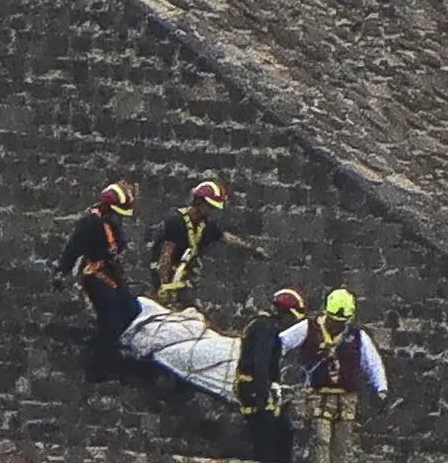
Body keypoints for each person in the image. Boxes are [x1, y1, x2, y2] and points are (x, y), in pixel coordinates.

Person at [280, 288, 389, 463]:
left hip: (346, 400)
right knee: (320, 440)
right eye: (334, 320)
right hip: (318, 396)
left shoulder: (357, 336)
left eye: (341, 322)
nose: (337, 325)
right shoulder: (309, 328)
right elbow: (281, 343)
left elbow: (372, 362)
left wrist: (381, 388)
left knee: (343, 446)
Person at [51, 180, 141, 379]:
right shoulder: (90, 223)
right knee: (110, 316)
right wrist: (61, 271)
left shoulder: (112, 223)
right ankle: (99, 367)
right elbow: (73, 248)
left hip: (111, 270)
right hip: (93, 273)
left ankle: (120, 348)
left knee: (131, 308)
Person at [150, 179, 268, 312]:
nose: (211, 211)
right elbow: (165, 256)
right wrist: (164, 286)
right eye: (210, 207)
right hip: (165, 279)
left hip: (183, 279)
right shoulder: (175, 222)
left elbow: (227, 238)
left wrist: (252, 249)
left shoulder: (204, 225)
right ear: (198, 202)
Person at [236, 287, 307, 463]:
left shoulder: (263, 325)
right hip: (256, 391)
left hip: (258, 389)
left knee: (281, 434)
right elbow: (260, 363)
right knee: (267, 443)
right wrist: (263, 396)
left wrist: (275, 384)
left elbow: (269, 364)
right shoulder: (264, 328)